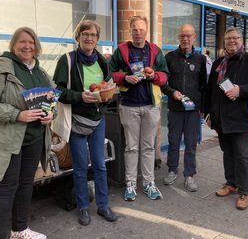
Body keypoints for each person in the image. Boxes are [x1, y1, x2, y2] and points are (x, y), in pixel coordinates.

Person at [53, 20, 117, 226]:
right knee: (80, 167)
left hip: (98, 120)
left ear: (98, 39)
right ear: (78, 37)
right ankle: (82, 207)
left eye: (93, 35)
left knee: (100, 165)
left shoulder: (102, 61)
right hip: (77, 121)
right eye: (85, 34)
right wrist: (81, 96)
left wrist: (107, 97)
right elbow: (58, 92)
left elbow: (107, 86)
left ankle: (103, 205)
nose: (89, 38)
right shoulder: (68, 60)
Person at [206, 27, 248, 210]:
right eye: (228, 39)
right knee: (228, 153)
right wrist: (208, 113)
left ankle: (243, 191)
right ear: (224, 42)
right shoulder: (219, 62)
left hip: (241, 118)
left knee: (241, 155)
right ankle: (231, 184)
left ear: (242, 40)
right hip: (221, 119)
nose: (232, 41)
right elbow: (210, 91)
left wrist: (241, 90)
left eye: (235, 38)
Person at [0, 27, 54, 239]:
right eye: (22, 42)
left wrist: (52, 115)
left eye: (31, 42)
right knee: (6, 188)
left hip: (35, 138)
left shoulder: (41, 72)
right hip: (11, 139)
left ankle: (20, 229)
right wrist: (17, 115)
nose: (27, 46)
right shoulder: (4, 68)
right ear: (13, 44)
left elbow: (52, 101)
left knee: (25, 185)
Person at [110, 15, 168, 201]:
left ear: (146, 31)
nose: (138, 33)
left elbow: (165, 76)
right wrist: (125, 78)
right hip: (129, 106)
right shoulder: (121, 50)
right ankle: (130, 184)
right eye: (135, 29)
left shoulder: (154, 50)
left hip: (150, 106)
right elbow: (111, 73)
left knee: (148, 147)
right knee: (131, 148)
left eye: (141, 29)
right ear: (130, 30)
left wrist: (153, 76)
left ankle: (149, 183)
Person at [162, 24, 207, 192]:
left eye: (188, 36)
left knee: (191, 143)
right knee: (173, 141)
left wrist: (202, 109)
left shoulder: (200, 59)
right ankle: (172, 170)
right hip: (175, 108)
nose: (185, 39)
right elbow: (162, 83)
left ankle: (189, 175)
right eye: (182, 36)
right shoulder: (169, 57)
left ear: (194, 37)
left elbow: (204, 85)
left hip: (193, 110)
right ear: (178, 38)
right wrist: (172, 92)